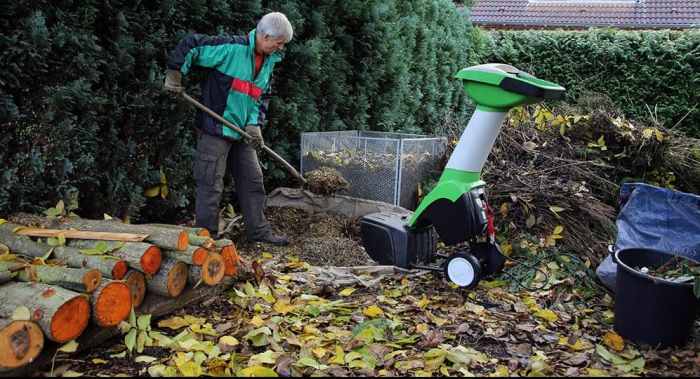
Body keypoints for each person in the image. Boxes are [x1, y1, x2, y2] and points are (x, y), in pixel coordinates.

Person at [163, 12, 292, 246]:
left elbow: (260, 98)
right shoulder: (230, 48)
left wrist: (254, 125)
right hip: (215, 129)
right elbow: (192, 45)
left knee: (253, 181)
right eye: (278, 42)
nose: (280, 48)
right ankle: (206, 238)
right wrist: (175, 73)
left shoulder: (268, 63)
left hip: (242, 134)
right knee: (210, 183)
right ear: (264, 35)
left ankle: (258, 232)